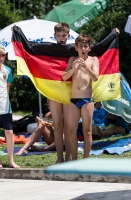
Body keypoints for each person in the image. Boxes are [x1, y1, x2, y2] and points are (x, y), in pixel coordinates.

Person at [62, 34, 99, 160]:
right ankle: (74, 160)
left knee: (87, 131)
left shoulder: (94, 60)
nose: (83, 48)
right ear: (76, 48)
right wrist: (73, 69)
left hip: (87, 99)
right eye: (81, 46)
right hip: (74, 99)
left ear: (89, 48)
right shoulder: (72, 59)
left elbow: (95, 77)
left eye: (85, 46)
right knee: (71, 131)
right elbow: (64, 77)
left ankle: (86, 159)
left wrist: (85, 67)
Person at [49, 23, 71, 163]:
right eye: (59, 35)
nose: (61, 38)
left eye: (64, 35)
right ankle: (59, 158)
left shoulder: (74, 49)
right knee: (57, 125)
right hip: (54, 90)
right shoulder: (49, 49)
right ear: (54, 35)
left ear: (68, 35)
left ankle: (68, 157)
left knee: (69, 126)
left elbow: (95, 48)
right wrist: (17, 33)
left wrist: (113, 34)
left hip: (69, 90)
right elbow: (30, 48)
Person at [0, 47, 20, 168]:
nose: (1, 58)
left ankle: (11, 160)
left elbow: (8, 88)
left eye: (3, 55)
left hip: (5, 107)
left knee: (9, 132)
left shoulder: (7, 70)